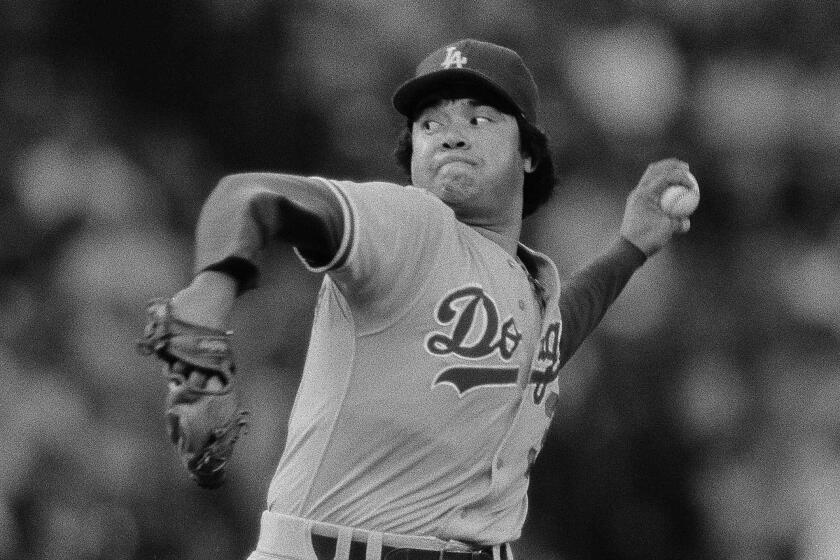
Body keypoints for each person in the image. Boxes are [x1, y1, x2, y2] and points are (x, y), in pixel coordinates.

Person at [148, 39, 698, 560]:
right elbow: (247, 196)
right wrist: (208, 300)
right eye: (429, 124)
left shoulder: (531, 283)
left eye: (479, 120)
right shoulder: (411, 224)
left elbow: (545, 342)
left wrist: (630, 249)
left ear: (529, 153)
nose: (450, 136)